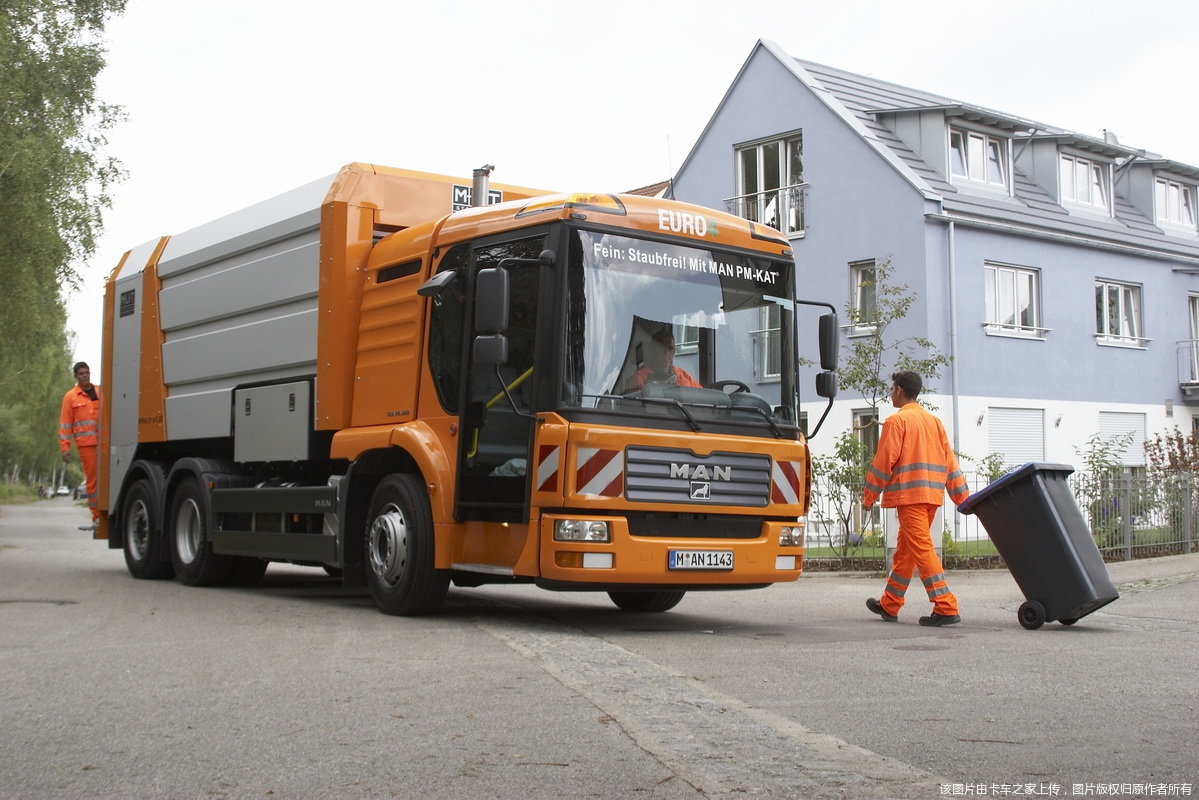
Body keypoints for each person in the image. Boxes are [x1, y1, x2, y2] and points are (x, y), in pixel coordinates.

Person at [863, 371, 969, 626]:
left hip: (909, 497)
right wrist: (962, 497)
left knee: (921, 551)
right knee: (906, 552)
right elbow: (950, 462)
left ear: (899, 390)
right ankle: (890, 603)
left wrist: (868, 497)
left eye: (891, 389)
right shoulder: (934, 422)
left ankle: (945, 606)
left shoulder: (896, 422)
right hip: (931, 496)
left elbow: (883, 463)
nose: (890, 394)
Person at [60, 361, 101, 530]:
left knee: (107, 479)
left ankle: (106, 512)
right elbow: (65, 423)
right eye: (82, 373)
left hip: (105, 443)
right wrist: (65, 447)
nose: (85, 375)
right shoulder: (71, 397)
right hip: (87, 446)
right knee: (92, 482)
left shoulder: (100, 391)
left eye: (87, 372)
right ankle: (96, 517)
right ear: (76, 376)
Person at [633, 329, 701, 388]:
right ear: (654, 351)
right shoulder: (639, 377)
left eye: (670, 348)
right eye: (662, 348)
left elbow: (701, 396)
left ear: (674, 351)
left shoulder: (684, 376)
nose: (667, 352)